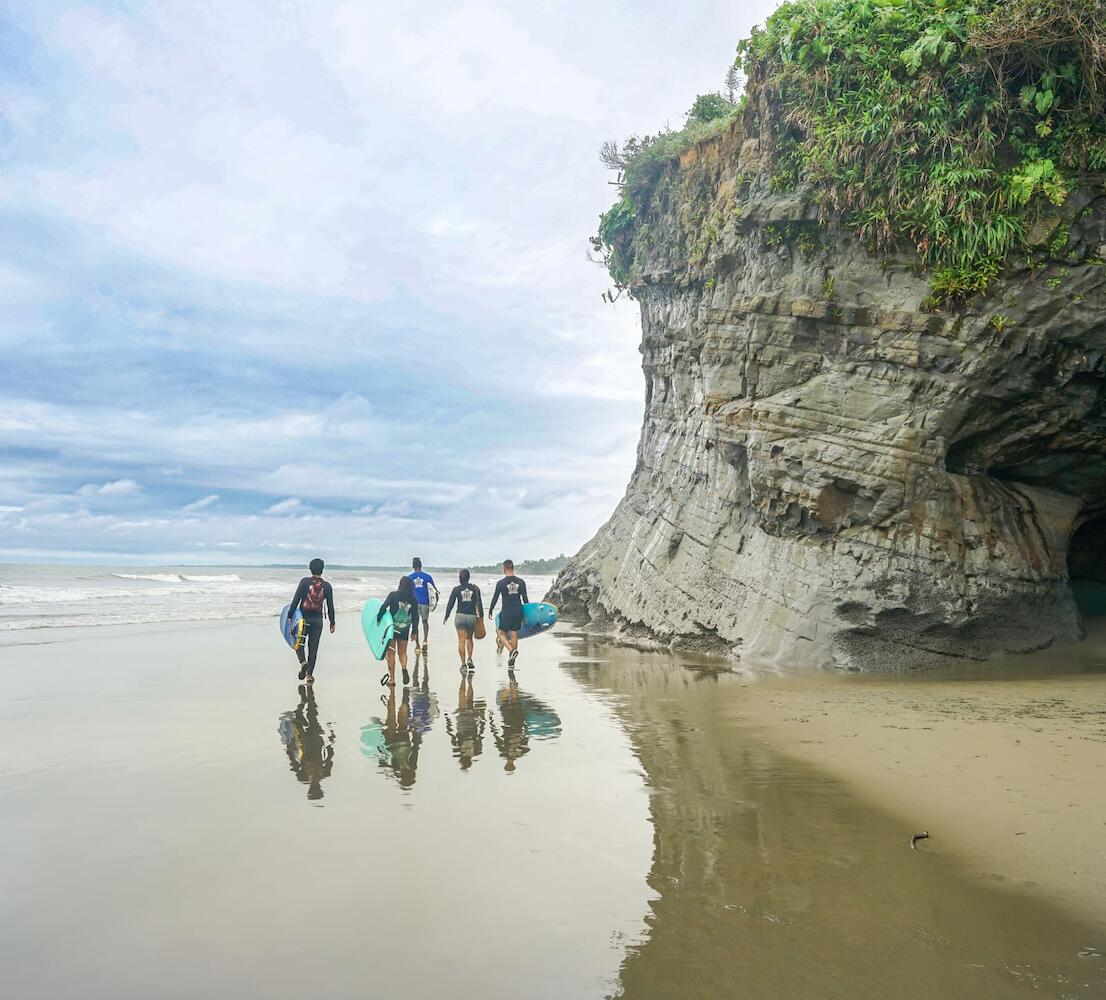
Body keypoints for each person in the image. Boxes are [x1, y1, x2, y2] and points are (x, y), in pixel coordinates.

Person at [287, 558, 335, 682]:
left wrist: (290, 615)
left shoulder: (304, 582)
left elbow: (296, 600)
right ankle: (309, 675)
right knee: (313, 648)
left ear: (310, 568)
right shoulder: (327, 586)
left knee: (297, 642)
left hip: (303, 620)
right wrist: (332, 622)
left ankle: (303, 662)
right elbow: (330, 606)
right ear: (322, 570)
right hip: (317, 621)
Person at [376, 575, 418, 688]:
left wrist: (378, 620)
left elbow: (383, 607)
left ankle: (392, 679)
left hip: (392, 628)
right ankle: (404, 668)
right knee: (402, 653)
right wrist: (414, 631)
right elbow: (415, 617)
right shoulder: (413, 599)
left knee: (391, 653)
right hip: (404, 628)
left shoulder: (393, 595)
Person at [489, 559, 528, 669]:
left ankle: (511, 651)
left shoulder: (501, 583)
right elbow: (525, 599)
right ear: (513, 568)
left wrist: (490, 609)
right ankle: (512, 661)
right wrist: (527, 614)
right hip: (518, 610)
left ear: (504, 569)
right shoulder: (521, 582)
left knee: (501, 633)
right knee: (514, 634)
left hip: (506, 611)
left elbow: (495, 598)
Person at [443, 568, 483, 673]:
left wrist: (446, 616)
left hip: (460, 616)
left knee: (461, 641)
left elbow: (450, 603)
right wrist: (482, 618)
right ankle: (469, 658)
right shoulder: (475, 589)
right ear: (469, 577)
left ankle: (463, 664)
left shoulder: (456, 589)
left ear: (460, 578)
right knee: (469, 638)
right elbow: (479, 604)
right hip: (471, 616)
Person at [408, 557, 438, 653]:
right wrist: (434, 603)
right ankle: (425, 641)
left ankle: (417, 646)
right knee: (425, 622)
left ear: (413, 566)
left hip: (414, 604)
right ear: (421, 565)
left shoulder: (409, 578)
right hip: (425, 602)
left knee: (415, 624)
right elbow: (433, 590)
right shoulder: (427, 577)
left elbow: (406, 592)